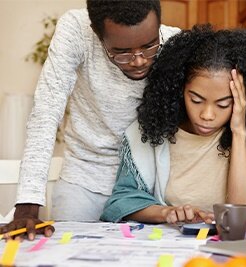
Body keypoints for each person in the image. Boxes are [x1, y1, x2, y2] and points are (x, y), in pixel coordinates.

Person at [0, 0, 180, 239]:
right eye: (122, 52)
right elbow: (46, 111)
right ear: (97, 34)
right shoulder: (77, 30)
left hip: (145, 189)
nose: (139, 60)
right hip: (83, 181)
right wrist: (27, 205)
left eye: (149, 46)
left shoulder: (174, 43)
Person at [100, 24, 246, 225]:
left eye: (223, 104)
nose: (207, 115)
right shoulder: (150, 133)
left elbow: (239, 217)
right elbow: (122, 200)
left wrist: (239, 132)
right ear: (180, 89)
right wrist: (167, 213)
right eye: (196, 100)